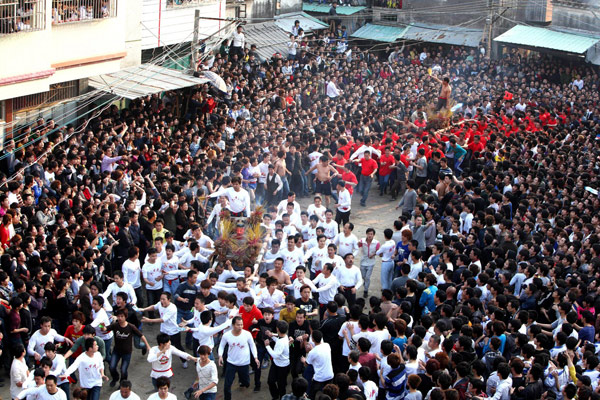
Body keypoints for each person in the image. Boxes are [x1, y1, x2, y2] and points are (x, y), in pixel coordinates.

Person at [218, 316, 259, 400]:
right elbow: (221, 346)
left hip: (244, 363)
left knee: (246, 382)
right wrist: (220, 356)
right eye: (238, 325)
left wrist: (255, 357)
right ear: (233, 325)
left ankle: (243, 382)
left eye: (241, 325)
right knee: (227, 385)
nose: (240, 327)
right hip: (231, 363)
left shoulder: (247, 334)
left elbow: (252, 346)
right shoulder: (226, 335)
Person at [266, 320, 291, 399]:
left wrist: (267, 346)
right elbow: (278, 340)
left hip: (282, 366)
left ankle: (281, 397)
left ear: (277, 329)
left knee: (281, 385)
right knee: (271, 381)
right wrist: (272, 336)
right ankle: (276, 396)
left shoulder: (281, 341)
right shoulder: (285, 336)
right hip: (277, 364)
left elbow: (275, 355)